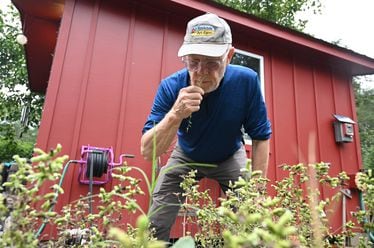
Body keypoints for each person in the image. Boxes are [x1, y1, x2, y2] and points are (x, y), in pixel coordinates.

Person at [140, 13, 272, 242]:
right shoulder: (171, 86)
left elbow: (261, 137)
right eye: (193, 62)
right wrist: (175, 114)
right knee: (158, 215)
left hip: (229, 154)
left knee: (252, 214)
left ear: (229, 56)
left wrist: (258, 191)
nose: (200, 72)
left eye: (211, 63)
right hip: (186, 154)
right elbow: (147, 151)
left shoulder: (246, 81)